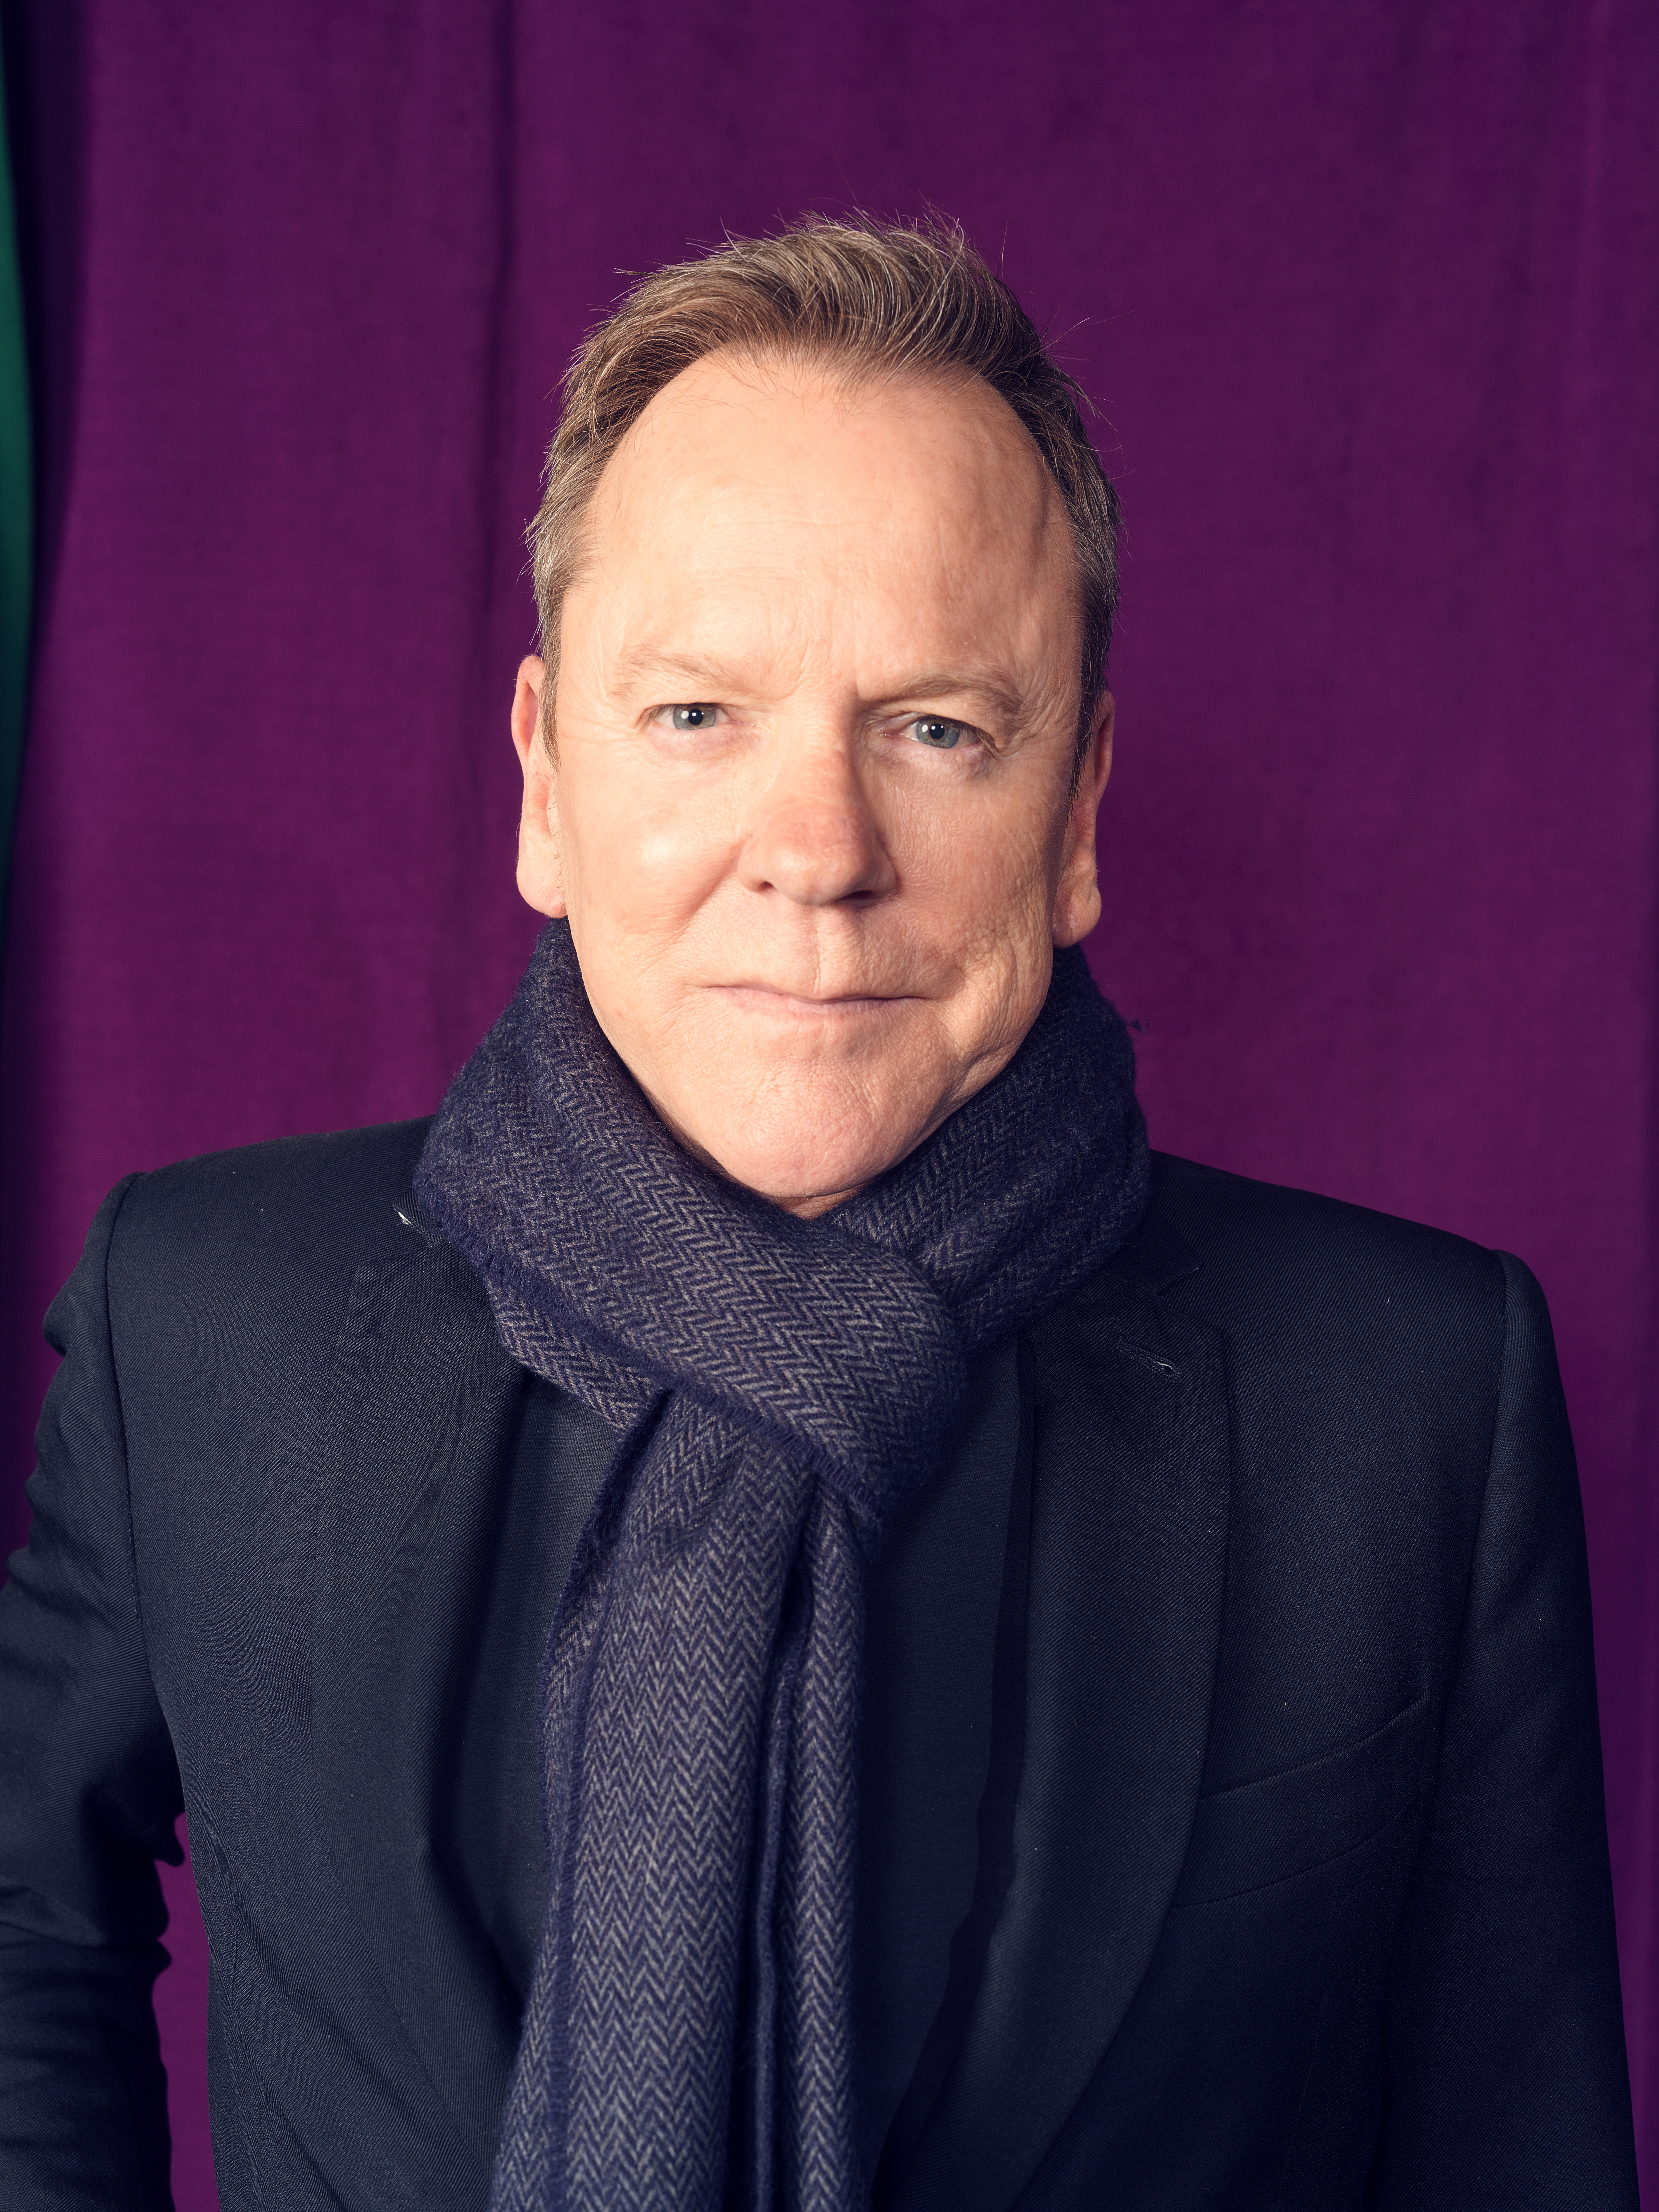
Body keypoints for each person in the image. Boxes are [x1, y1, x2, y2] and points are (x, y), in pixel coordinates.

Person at [0, 216, 1639, 2212]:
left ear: (1082, 808)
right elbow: (26, 1944)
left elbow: (1517, 2144)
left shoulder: (1410, 1397)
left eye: (936, 728)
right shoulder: (199, 1320)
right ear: (542, 783)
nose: (820, 851)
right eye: (700, 715)